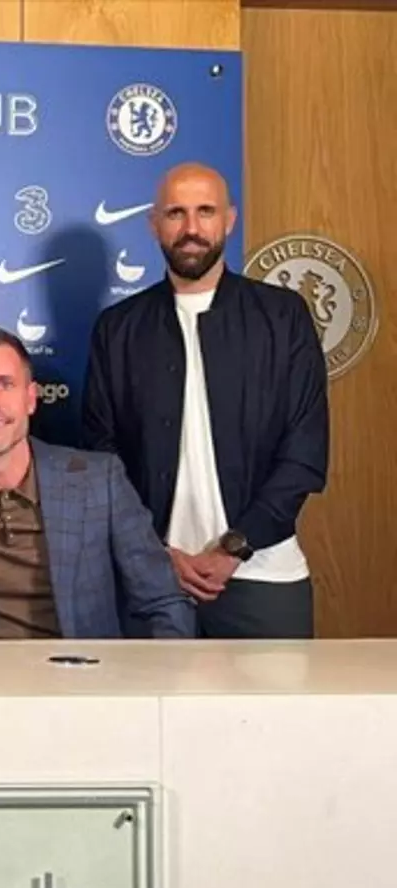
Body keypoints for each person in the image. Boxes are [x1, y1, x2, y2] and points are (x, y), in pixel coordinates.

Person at [82, 162, 329, 638]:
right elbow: (101, 457)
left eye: (205, 211)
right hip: (151, 581)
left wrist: (234, 548)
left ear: (229, 220)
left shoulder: (283, 318)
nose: (191, 228)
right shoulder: (118, 330)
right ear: (154, 224)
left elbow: (304, 455)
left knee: (269, 717)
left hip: (265, 578)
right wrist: (155, 552)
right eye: (176, 213)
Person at [0, 326, 194, 640]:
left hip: (86, 683)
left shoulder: (100, 482)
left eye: (5, 384)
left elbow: (163, 602)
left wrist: (155, 684)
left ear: (31, 398)